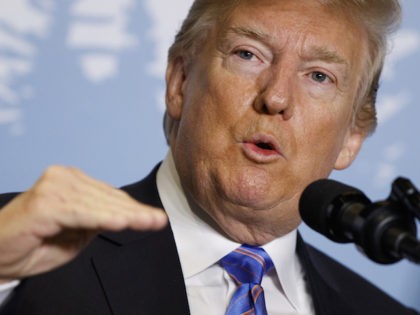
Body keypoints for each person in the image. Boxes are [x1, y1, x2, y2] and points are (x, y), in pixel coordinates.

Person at [0, 0, 418, 314]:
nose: (275, 97)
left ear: (352, 137)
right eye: (248, 54)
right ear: (180, 82)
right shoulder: (19, 248)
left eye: (319, 77)